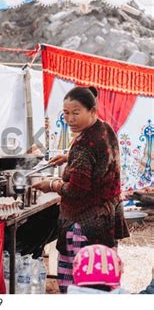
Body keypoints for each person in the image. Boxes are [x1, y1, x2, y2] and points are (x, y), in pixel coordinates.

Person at [33, 86, 129, 293]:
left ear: (92, 111)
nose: (70, 119)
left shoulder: (84, 144)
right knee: (102, 275)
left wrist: (50, 184)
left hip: (84, 224)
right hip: (105, 218)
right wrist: (69, 157)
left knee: (79, 283)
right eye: (66, 113)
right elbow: (101, 155)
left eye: (76, 113)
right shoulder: (105, 128)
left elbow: (76, 189)